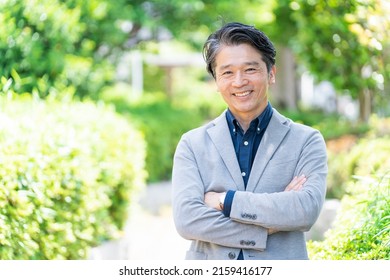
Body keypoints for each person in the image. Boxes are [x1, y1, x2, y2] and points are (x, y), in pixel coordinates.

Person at [172, 22, 328, 260]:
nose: (239, 82)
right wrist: (267, 227)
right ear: (216, 81)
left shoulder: (306, 141)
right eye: (227, 72)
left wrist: (226, 200)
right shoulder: (192, 144)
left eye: (250, 69)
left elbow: (305, 210)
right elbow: (188, 220)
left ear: (271, 73)